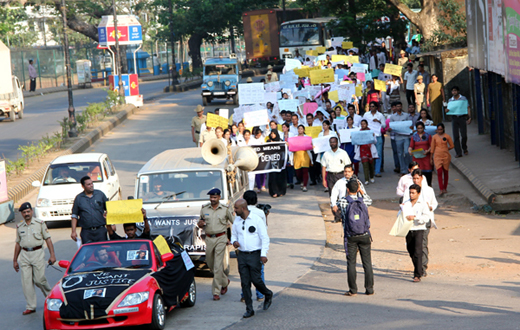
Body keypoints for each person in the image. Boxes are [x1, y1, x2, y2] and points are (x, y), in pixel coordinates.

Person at [231, 199, 273, 318]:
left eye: (236, 208)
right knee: (245, 283)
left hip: (255, 254)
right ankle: (249, 309)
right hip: (242, 255)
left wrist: (263, 254)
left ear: (243, 208)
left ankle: (267, 293)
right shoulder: (237, 221)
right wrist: (234, 241)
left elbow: (265, 238)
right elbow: (234, 234)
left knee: (256, 280)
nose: (234, 210)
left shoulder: (256, 220)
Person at [13, 202, 56, 315]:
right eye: (24, 212)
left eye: (28, 211)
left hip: (37, 253)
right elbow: (18, 243)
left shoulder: (40, 223)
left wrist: (52, 255)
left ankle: (51, 297)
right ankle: (31, 306)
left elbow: (48, 239)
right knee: (26, 282)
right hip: (25, 255)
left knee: (39, 280)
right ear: (21, 213)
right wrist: (14, 260)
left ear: (32, 211)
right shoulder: (19, 227)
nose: (26, 214)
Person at [198, 188, 234, 301]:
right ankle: (224, 280)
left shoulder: (225, 209)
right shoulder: (204, 208)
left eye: (215, 197)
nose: (212, 199)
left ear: (219, 197)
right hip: (209, 238)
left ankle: (216, 292)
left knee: (218, 265)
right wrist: (200, 224)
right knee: (210, 263)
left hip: (221, 238)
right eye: (211, 197)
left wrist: (234, 238)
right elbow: (200, 223)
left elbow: (235, 222)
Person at [339, 180, 374, 296]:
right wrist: (361, 191)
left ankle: (353, 290)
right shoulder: (363, 201)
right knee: (367, 263)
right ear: (358, 188)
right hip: (364, 234)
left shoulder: (343, 202)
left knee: (351, 263)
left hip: (350, 236)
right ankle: (369, 289)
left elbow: (341, 211)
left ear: (348, 189)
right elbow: (370, 200)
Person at [403, 169, 438, 277]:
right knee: (411, 247)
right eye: (414, 178)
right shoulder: (409, 191)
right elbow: (404, 204)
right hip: (410, 223)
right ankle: (417, 266)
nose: (416, 180)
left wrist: (430, 207)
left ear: (422, 178)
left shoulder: (429, 190)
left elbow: (434, 203)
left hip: (424, 221)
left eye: (418, 178)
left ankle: (422, 268)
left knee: (422, 245)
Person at [402, 184, 429, 282]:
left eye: (413, 193)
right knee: (410, 250)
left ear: (418, 193)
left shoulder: (423, 204)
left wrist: (415, 217)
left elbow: (426, 217)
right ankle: (419, 268)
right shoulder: (406, 203)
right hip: (408, 229)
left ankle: (417, 274)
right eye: (410, 192)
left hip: (419, 229)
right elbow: (400, 214)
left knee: (418, 251)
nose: (411, 195)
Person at [71, 176, 109, 244]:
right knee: (89, 253)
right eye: (88, 184)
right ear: (83, 186)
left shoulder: (100, 194)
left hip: (100, 230)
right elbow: (74, 215)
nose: (91, 186)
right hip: (87, 232)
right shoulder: (79, 198)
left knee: (102, 252)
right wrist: (73, 231)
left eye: (92, 183)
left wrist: (112, 224)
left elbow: (109, 209)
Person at [446, 86, 471, 158]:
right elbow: (449, 109)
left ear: (458, 91)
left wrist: (469, 117)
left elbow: (468, 108)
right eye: (452, 91)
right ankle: (458, 152)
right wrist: (447, 110)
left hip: (462, 117)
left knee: (464, 135)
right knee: (456, 136)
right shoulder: (450, 100)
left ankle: (464, 147)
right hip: (454, 118)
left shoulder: (463, 99)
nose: (454, 92)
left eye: (455, 91)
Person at [388, 101, 412, 175]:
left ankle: (408, 167)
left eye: (400, 106)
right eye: (397, 106)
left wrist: (410, 127)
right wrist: (390, 129)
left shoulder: (406, 115)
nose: (399, 107)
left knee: (407, 152)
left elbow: (409, 124)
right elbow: (390, 127)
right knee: (400, 154)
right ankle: (403, 170)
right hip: (398, 137)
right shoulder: (392, 117)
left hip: (406, 136)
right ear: (396, 107)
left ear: (402, 107)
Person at [430, 123, 454, 195]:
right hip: (437, 156)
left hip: (446, 156)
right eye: (438, 129)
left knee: (446, 172)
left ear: (443, 129)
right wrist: (431, 158)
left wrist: (446, 149)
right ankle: (441, 189)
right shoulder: (434, 137)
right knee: (439, 172)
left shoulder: (447, 136)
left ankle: (445, 188)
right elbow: (432, 148)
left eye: (441, 129)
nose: (439, 131)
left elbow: (452, 145)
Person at [363, 101, 386, 177]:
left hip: (378, 135)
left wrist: (378, 121)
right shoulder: (366, 115)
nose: (372, 108)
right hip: (369, 136)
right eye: (370, 106)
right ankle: (371, 170)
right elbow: (362, 123)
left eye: (373, 106)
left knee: (378, 154)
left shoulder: (380, 115)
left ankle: (377, 171)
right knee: (369, 154)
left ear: (376, 107)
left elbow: (384, 125)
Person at [354, 119, 378, 185]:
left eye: (364, 124)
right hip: (362, 150)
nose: (363, 125)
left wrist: (372, 136)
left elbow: (375, 141)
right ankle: (366, 179)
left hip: (370, 150)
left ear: (367, 124)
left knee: (371, 165)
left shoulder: (371, 131)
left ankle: (371, 177)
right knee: (365, 165)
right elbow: (357, 142)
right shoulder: (359, 132)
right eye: (361, 124)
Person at [267, 130, 287, 198]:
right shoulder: (268, 142)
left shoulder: (280, 141)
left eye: (274, 133)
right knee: (273, 178)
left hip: (279, 162)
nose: (272, 135)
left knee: (280, 177)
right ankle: (273, 192)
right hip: (271, 163)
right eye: (271, 133)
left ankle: (281, 191)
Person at [294, 125, 313, 192]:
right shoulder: (295, 138)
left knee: (305, 170)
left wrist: (311, 145)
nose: (300, 130)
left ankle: (305, 185)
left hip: (305, 155)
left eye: (301, 129)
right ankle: (301, 181)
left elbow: (310, 146)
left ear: (304, 130)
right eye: (299, 129)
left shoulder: (307, 138)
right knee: (298, 171)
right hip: (297, 155)